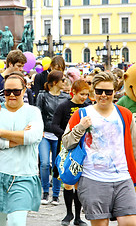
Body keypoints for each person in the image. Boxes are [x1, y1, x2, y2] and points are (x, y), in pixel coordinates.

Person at [62, 72, 136, 226]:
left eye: (108, 92)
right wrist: (80, 127)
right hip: (93, 179)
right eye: (99, 91)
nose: (103, 95)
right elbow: (66, 142)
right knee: (101, 223)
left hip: (123, 177)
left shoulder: (125, 115)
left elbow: (134, 146)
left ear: (115, 92)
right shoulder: (81, 114)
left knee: (130, 222)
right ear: (93, 92)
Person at [0, 71, 44, 226]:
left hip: (24, 174)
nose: (11, 95)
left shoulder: (33, 112)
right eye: (7, 91)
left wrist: (2, 133)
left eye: (16, 91)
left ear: (24, 90)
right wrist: (11, 142)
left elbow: (33, 137)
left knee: (17, 222)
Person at [51, 79, 89, 226]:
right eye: (81, 94)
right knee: (67, 182)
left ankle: (78, 217)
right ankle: (68, 213)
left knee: (78, 183)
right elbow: (54, 125)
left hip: (81, 150)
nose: (84, 97)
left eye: (86, 94)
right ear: (73, 92)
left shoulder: (87, 108)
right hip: (66, 148)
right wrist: (68, 136)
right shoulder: (64, 106)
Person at [36, 71, 70, 205]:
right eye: (63, 80)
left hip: (59, 135)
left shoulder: (66, 98)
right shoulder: (42, 96)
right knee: (44, 163)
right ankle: (45, 192)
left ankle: (55, 194)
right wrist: (39, 130)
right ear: (55, 83)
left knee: (58, 164)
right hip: (45, 133)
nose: (65, 83)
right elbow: (38, 113)